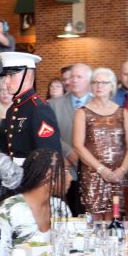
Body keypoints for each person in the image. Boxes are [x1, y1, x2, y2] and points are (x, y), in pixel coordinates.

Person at [73, 67, 128, 217]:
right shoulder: (82, 112)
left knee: (117, 220)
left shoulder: (123, 112)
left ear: (112, 86)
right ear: (91, 86)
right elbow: (78, 145)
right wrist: (101, 169)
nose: (99, 86)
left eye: (104, 82)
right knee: (95, 221)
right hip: (93, 174)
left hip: (119, 174)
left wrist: (122, 170)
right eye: (95, 82)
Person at [0, 148, 70, 256]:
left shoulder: (60, 208)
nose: (70, 178)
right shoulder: (9, 211)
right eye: (65, 171)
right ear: (48, 174)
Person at [0, 52, 62, 162]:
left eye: (11, 75)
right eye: (6, 75)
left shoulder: (38, 109)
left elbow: (49, 157)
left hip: (33, 175)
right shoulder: (12, 109)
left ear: (27, 76)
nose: (6, 81)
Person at [49, 63, 92, 214]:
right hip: (64, 169)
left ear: (88, 80)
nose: (74, 80)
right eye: (72, 76)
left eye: (79, 77)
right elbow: (49, 134)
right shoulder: (53, 104)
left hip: (91, 170)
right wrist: (68, 153)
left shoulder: (97, 104)